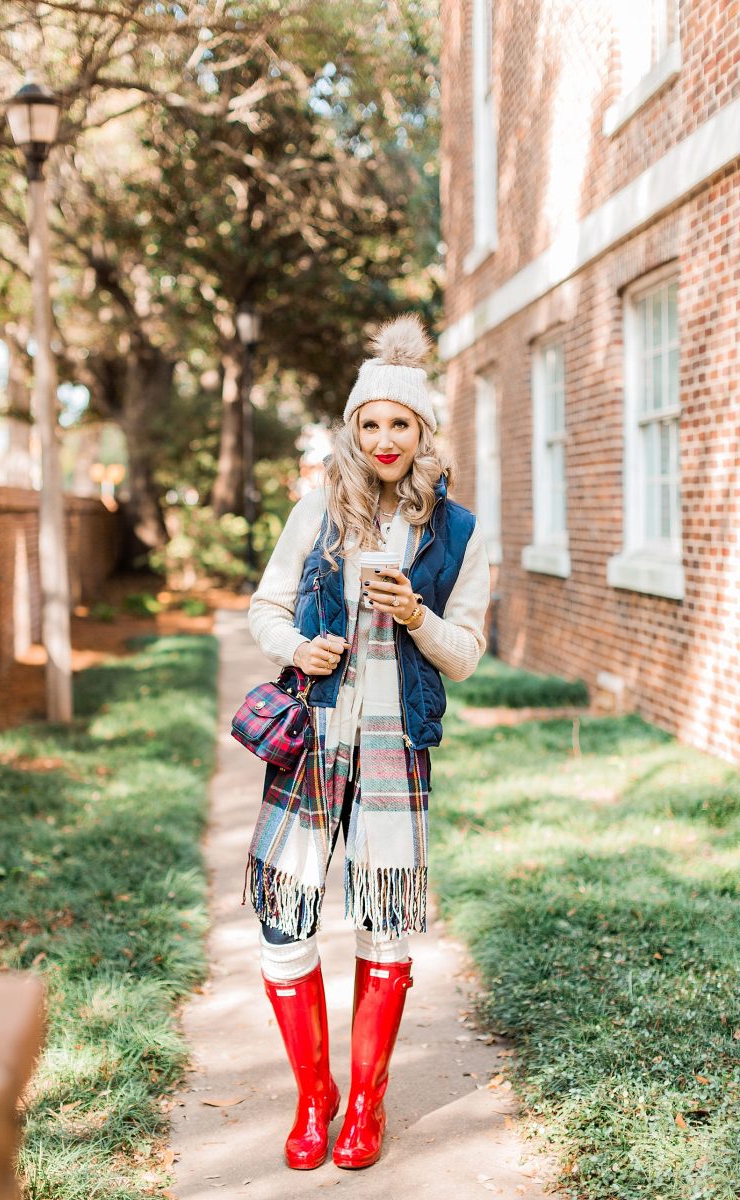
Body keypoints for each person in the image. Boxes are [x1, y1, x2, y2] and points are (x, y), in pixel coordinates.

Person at [241, 312, 491, 1170]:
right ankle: (316, 1100)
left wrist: (418, 616)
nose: (386, 438)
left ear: (423, 433)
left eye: (401, 423)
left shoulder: (456, 531)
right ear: (354, 431)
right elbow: (265, 610)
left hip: (393, 748)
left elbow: (464, 655)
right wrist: (296, 647)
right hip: (310, 742)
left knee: (384, 924)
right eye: (371, 423)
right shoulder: (317, 511)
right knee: (284, 923)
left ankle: (366, 1108)